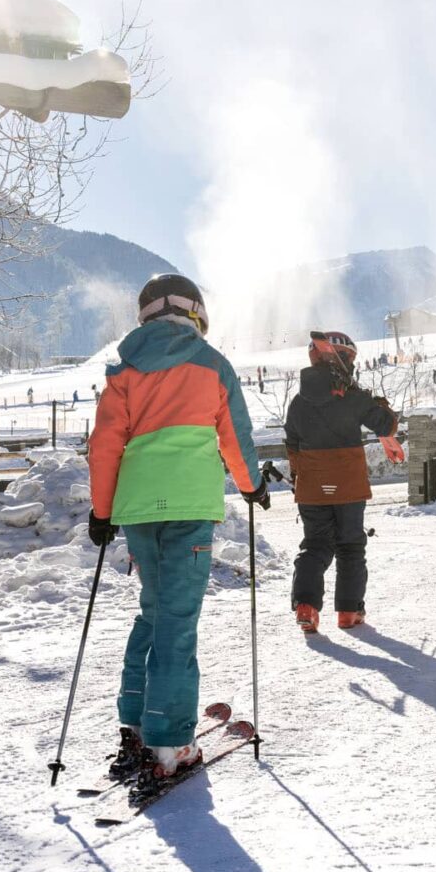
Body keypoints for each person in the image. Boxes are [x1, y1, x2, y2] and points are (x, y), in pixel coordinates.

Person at [87, 273, 266, 781]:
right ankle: (170, 742)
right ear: (196, 314)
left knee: (153, 610)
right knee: (177, 619)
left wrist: (102, 512)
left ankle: (136, 722)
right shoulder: (212, 365)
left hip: (139, 508)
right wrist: (251, 486)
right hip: (189, 505)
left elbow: (104, 446)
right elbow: (236, 435)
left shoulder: (125, 369)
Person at [284, 331, 399, 633]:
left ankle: (306, 607)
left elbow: (292, 445)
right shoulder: (353, 397)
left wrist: (301, 477)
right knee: (350, 545)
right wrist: (380, 404)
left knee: (315, 545)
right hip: (347, 485)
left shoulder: (297, 402)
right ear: (345, 359)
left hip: (311, 486)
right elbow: (386, 425)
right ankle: (349, 611)